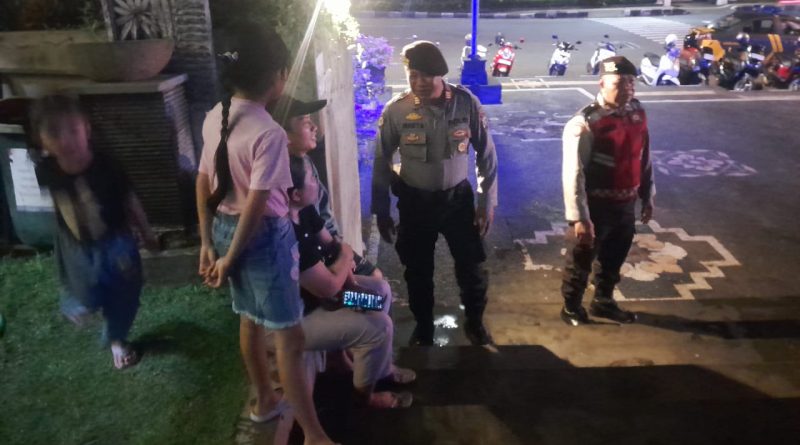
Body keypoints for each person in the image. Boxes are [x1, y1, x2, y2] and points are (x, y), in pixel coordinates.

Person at [195, 24, 335, 444]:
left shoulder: (215, 115)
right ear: (278, 75)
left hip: (224, 229)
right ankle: (314, 435)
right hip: (264, 238)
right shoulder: (269, 133)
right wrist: (230, 257)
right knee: (290, 338)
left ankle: (264, 401)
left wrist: (208, 243)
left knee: (250, 319)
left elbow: (202, 180)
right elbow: (257, 205)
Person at [371, 40, 498, 346]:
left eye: (426, 75)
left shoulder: (465, 104)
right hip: (415, 204)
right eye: (413, 75)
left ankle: (475, 322)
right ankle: (424, 327)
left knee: (471, 267)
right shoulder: (397, 110)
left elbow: (486, 155)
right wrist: (382, 211)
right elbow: (381, 161)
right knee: (417, 271)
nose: (419, 82)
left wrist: (486, 202)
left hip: (458, 202)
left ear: (440, 74)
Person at [28, 94, 159, 370]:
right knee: (84, 293)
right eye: (54, 133)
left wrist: (146, 232)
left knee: (124, 295)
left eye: (72, 130)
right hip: (76, 247)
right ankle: (78, 303)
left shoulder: (108, 165)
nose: (66, 140)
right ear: (42, 140)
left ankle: (117, 339)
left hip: (116, 243)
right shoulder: (46, 170)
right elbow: (60, 204)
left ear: (86, 129)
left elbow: (129, 199)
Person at [286, 155, 415, 409]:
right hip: (299, 317)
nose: (317, 182)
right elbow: (330, 283)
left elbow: (333, 245)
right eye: (312, 178)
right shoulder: (289, 233)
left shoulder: (305, 211)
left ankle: (377, 369)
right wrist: (345, 258)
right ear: (295, 194)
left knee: (380, 291)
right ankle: (363, 398)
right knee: (380, 327)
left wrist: (351, 280)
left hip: (322, 300)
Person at [559, 56, 655, 326]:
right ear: (602, 83)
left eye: (631, 82)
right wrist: (580, 218)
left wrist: (648, 195)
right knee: (581, 259)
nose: (627, 89)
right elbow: (574, 173)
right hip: (595, 208)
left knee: (614, 258)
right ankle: (571, 307)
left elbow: (644, 157)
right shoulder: (585, 122)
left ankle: (603, 301)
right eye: (619, 83)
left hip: (625, 204)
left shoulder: (637, 113)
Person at [272, 96, 382, 278]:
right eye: (305, 122)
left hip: (327, 244)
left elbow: (323, 213)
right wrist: (343, 259)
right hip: (314, 259)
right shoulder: (281, 175)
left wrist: (340, 248)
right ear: (284, 134)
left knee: (375, 278)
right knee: (372, 288)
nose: (314, 127)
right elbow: (328, 286)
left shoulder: (305, 161)